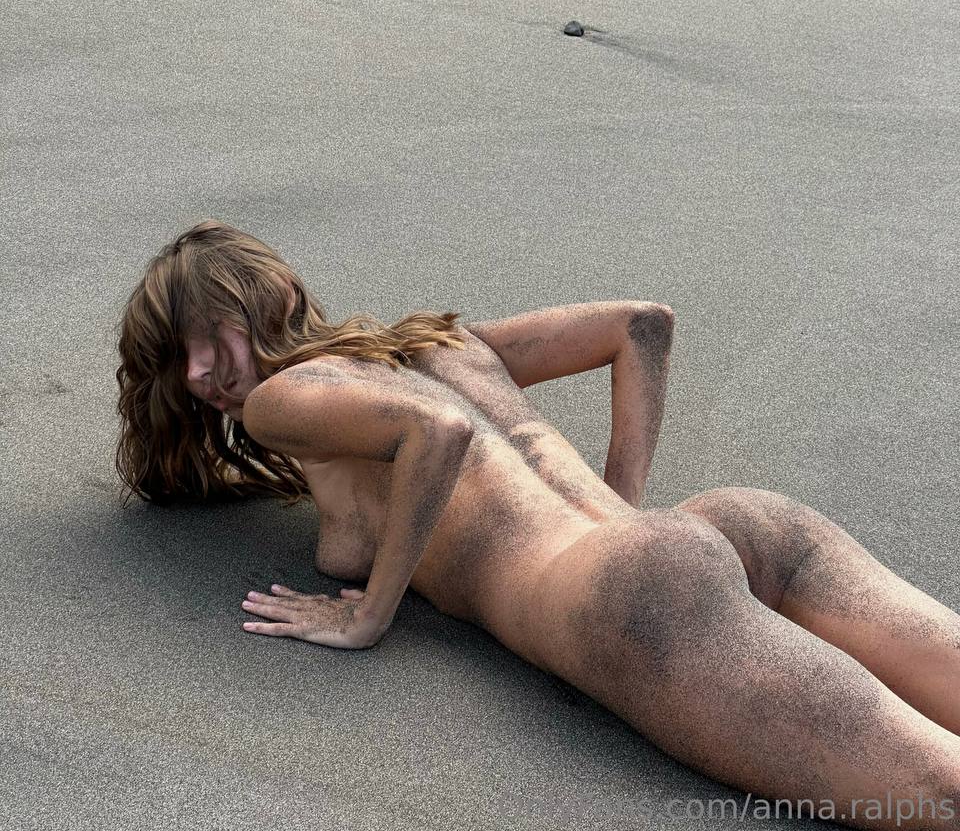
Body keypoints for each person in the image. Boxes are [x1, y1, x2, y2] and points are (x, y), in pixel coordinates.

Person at [115, 221, 960, 831]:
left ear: (273, 299)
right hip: (728, 527)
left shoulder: (281, 399)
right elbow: (642, 325)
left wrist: (367, 615)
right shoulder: (435, 345)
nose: (199, 371)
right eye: (178, 356)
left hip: (634, 598)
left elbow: (435, 433)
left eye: (209, 334)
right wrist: (627, 515)